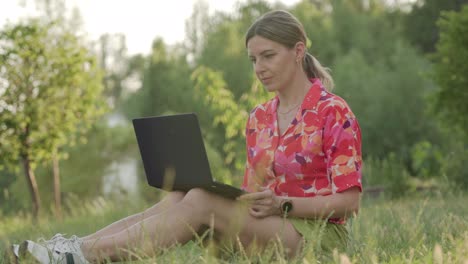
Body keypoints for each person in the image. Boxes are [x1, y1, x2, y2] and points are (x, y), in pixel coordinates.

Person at [12, 9, 362, 263]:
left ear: (298, 51)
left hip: (317, 237)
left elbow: (350, 202)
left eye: (268, 56)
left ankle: (81, 257)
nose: (259, 68)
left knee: (201, 201)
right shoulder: (259, 118)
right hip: (267, 228)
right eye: (253, 59)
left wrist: (284, 205)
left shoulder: (333, 112)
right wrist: (248, 199)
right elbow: (254, 191)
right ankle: (69, 247)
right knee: (182, 195)